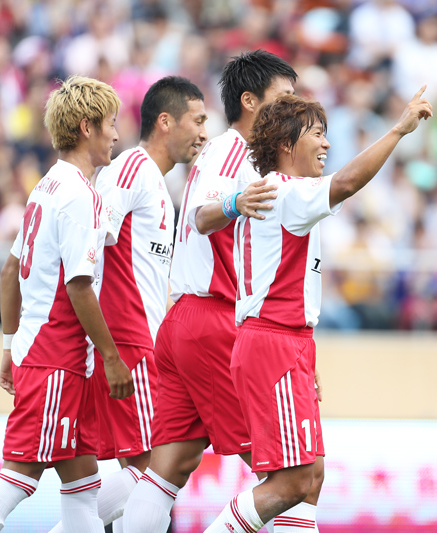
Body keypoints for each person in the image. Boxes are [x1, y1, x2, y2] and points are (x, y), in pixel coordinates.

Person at [203, 88, 433, 533]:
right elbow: (347, 183)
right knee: (290, 483)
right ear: (287, 145)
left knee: (311, 479)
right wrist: (399, 130)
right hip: (274, 342)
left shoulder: (273, 192)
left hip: (283, 341)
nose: (327, 144)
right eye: (317, 134)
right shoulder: (287, 190)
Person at [123, 50, 315, 533]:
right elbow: (203, 215)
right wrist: (235, 201)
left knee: (169, 466)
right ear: (250, 102)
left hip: (188, 322)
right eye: (284, 97)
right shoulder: (234, 151)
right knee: (297, 475)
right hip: (216, 323)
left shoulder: (248, 157)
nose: (294, 106)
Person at [0, 75, 135, 533]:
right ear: (87, 126)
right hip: (55, 359)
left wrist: (8, 345)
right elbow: (80, 286)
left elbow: (8, 271)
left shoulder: (47, 187)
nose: (117, 135)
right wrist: (112, 357)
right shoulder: (81, 196)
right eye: (112, 123)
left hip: (47, 355)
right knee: (20, 476)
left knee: (84, 485)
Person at [47, 76, 209, 533]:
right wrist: (104, 347)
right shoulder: (132, 169)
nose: (203, 133)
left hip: (144, 344)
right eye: (197, 121)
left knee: (155, 473)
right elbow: (94, 245)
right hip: (128, 342)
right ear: (165, 121)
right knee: (152, 472)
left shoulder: (154, 182)